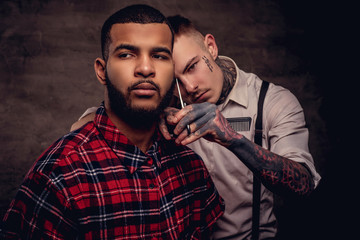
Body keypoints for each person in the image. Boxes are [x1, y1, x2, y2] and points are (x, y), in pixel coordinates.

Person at [71, 15, 321, 239]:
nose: (189, 87)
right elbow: (85, 127)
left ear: (210, 47)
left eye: (192, 67)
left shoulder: (271, 101)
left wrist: (233, 139)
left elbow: (304, 186)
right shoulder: (165, 98)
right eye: (175, 79)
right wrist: (152, 116)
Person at [0, 6, 224, 239]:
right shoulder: (59, 174)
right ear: (102, 71)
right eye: (127, 54)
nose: (146, 68)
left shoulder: (191, 167)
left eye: (159, 56)